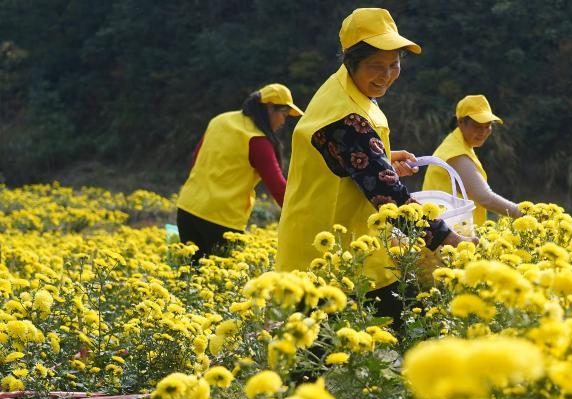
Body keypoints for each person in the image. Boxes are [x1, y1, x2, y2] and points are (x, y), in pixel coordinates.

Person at [276, 7, 474, 329]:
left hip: (353, 247)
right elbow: (388, 195)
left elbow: (342, 154)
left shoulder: (346, 90)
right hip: (326, 253)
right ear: (351, 61)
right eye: (375, 66)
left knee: (402, 327)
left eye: (393, 65)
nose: (386, 75)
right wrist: (447, 238)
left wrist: (382, 158)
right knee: (402, 330)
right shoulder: (345, 115)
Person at [176, 84, 303, 258]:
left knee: (192, 271)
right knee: (227, 273)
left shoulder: (219, 120)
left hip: (187, 210)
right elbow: (279, 189)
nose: (283, 122)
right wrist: (304, 216)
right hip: (221, 221)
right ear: (269, 108)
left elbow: (197, 158)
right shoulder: (257, 140)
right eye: (284, 114)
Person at [422, 95, 523, 225]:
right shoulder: (455, 153)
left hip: (447, 229)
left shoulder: (458, 145)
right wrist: (522, 213)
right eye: (477, 126)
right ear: (460, 123)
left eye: (488, 125)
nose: (483, 132)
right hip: (445, 232)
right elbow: (484, 197)